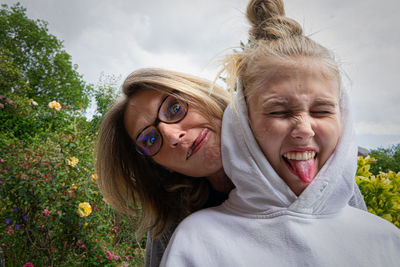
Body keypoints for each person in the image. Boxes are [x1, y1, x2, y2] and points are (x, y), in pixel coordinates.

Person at [160, 0, 400, 266]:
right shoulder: (197, 242)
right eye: (279, 112)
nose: (304, 129)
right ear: (243, 126)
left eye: (321, 111)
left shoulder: (385, 240)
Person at [95, 68, 234, 266]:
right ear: (160, 166)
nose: (171, 136)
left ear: (200, 94)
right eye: (150, 140)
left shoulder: (286, 151)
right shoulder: (172, 232)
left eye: (174, 108)